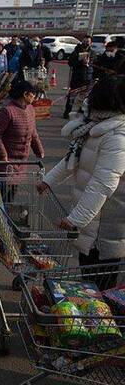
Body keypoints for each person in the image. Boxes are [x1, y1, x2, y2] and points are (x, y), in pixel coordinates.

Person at [38, 75, 125, 290]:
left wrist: (76, 218)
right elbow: (73, 159)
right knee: (90, 277)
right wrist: (49, 181)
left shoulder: (117, 136)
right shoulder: (95, 126)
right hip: (92, 220)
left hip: (107, 223)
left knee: (103, 284)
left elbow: (104, 183)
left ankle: (105, 321)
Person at [0, 79, 45, 172]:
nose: (34, 97)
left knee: (17, 184)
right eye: (33, 94)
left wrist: (39, 150)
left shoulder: (30, 109)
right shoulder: (7, 111)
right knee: (5, 184)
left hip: (23, 162)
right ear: (25, 94)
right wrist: (3, 155)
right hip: (6, 162)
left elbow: (33, 132)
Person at [65, 35, 95, 119]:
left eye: (88, 42)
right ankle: (67, 111)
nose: (86, 43)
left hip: (88, 78)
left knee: (85, 97)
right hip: (76, 77)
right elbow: (70, 63)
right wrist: (80, 61)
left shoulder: (92, 52)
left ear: (90, 43)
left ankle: (82, 112)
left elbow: (95, 64)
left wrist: (89, 63)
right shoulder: (76, 51)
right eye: (84, 41)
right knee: (72, 96)